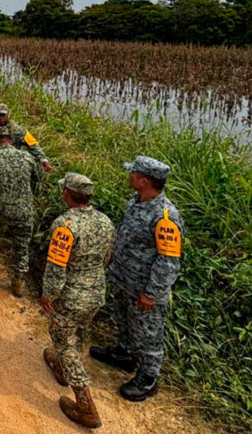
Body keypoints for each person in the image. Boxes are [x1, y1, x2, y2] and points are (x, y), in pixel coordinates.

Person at [91, 156, 184, 402]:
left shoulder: (165, 217)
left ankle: (148, 377)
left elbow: (168, 261)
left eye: (134, 173)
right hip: (124, 277)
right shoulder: (136, 201)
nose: (129, 176)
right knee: (122, 317)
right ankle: (124, 353)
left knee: (148, 332)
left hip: (144, 287)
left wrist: (151, 294)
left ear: (144, 181)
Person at [40, 173, 115, 429]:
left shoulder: (65, 225)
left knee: (65, 343)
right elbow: (107, 258)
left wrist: (48, 295)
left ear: (66, 194)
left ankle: (86, 407)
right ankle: (61, 369)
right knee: (77, 332)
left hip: (71, 296)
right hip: (96, 291)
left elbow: (56, 267)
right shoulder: (104, 221)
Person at [0, 126, 42, 297]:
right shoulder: (28, 158)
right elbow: (38, 179)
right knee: (22, 246)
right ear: (11, 141)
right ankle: (18, 282)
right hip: (23, 211)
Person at [0, 103, 54, 172]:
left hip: (15, 163)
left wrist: (43, 160)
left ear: (8, 115)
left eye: (3, 115)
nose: (1, 118)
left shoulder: (18, 129)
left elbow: (32, 145)